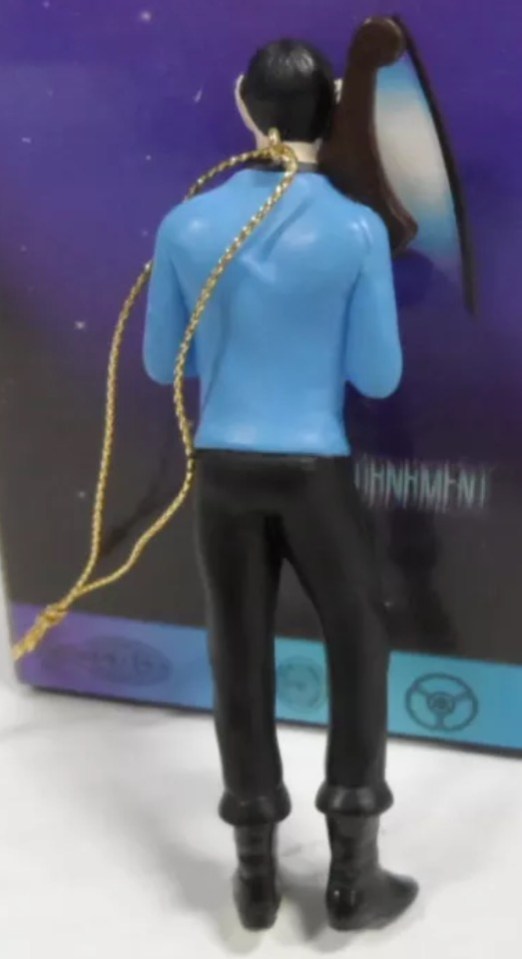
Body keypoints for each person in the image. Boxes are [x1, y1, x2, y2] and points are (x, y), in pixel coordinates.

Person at [143, 38, 418, 932]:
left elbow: (162, 363)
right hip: (313, 469)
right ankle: (354, 871)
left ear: (244, 105)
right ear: (331, 106)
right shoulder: (354, 228)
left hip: (223, 470)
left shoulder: (186, 225)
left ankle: (254, 873)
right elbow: (377, 376)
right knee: (359, 640)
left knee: (238, 651)